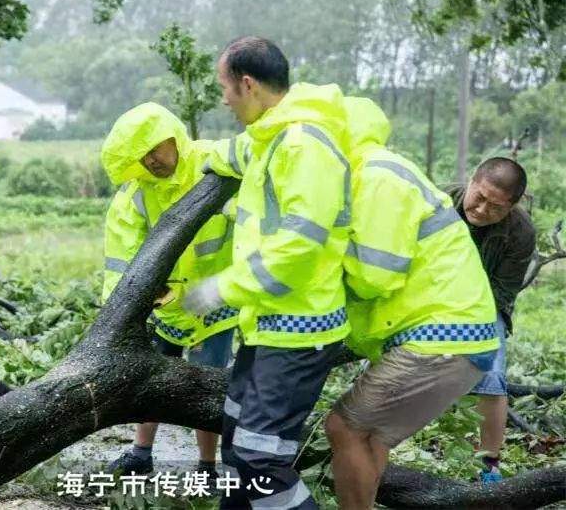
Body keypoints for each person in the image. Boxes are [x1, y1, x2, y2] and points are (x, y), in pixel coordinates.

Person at [185, 36, 352, 509]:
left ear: (248, 84)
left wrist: (221, 287)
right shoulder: (268, 137)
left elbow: (299, 245)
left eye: (224, 87)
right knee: (239, 444)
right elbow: (223, 154)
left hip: (300, 329)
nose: (222, 99)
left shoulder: (304, 145)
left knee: (262, 460)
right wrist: (169, 155)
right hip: (267, 325)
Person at [323, 96, 499, 509]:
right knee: (373, 437)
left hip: (440, 335)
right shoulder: (375, 171)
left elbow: (374, 274)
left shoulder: (375, 176)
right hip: (456, 335)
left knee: (342, 428)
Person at [101, 102, 238, 478]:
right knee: (151, 379)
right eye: (140, 156)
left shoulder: (214, 164)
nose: (150, 162)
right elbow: (120, 260)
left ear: (173, 137)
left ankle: (207, 466)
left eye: (154, 150)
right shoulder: (137, 195)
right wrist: (122, 312)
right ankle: (140, 454)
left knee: (208, 383)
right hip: (165, 306)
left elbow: (250, 211)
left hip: (214, 302)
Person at [449, 157, 535, 482]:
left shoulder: (522, 232)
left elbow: (502, 293)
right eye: (480, 197)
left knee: (492, 374)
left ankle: (489, 466)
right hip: (428, 297)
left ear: (512, 206)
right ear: (472, 181)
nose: (483, 209)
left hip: (485, 305)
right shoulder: (439, 204)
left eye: (496, 207)